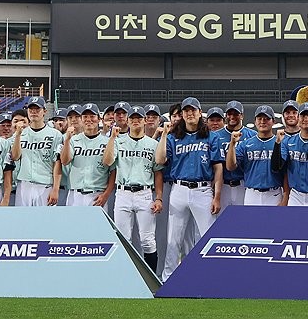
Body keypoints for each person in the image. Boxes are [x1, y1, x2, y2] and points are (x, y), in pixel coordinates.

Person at [155, 97, 223, 281]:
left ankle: (206, 277)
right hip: (179, 189)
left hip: (203, 189)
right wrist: (164, 135)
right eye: (186, 110)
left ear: (200, 113)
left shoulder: (211, 136)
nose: (190, 113)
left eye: (193, 110)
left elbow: (218, 168)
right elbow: (160, 160)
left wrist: (217, 196)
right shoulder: (173, 137)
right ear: (182, 114)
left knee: (206, 236)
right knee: (173, 238)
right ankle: (168, 278)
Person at [103, 106, 163, 271]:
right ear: (128, 121)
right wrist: (112, 138)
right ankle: (125, 277)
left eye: (139, 118)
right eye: (132, 118)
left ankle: (151, 278)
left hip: (144, 193)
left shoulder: (153, 144)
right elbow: (107, 162)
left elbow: (158, 172)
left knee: (147, 240)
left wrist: (158, 197)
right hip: (123, 192)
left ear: (144, 121)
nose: (135, 121)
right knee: (123, 239)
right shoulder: (118, 141)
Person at [10, 96, 63, 206]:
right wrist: (18, 135)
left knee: (46, 217)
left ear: (44, 111)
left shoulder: (55, 135)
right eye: (31, 109)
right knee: (22, 217)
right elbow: (15, 157)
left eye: (37, 109)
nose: (34, 112)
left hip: (45, 185)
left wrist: (55, 189)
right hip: (24, 184)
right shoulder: (20, 134)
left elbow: (57, 163)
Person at [227, 105, 284, 205]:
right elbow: (230, 167)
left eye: (266, 119)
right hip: (252, 193)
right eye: (259, 118)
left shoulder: (280, 143)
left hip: (274, 192)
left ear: (273, 121)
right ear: (255, 121)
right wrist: (232, 144)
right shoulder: (246, 144)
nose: (262, 121)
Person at [61, 103, 114, 207]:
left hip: (97, 194)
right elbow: (64, 161)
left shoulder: (108, 141)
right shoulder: (73, 140)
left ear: (99, 119)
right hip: (75, 194)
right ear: (81, 119)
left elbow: (113, 171)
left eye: (92, 116)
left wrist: (106, 194)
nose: (88, 119)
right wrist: (67, 140)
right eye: (85, 117)